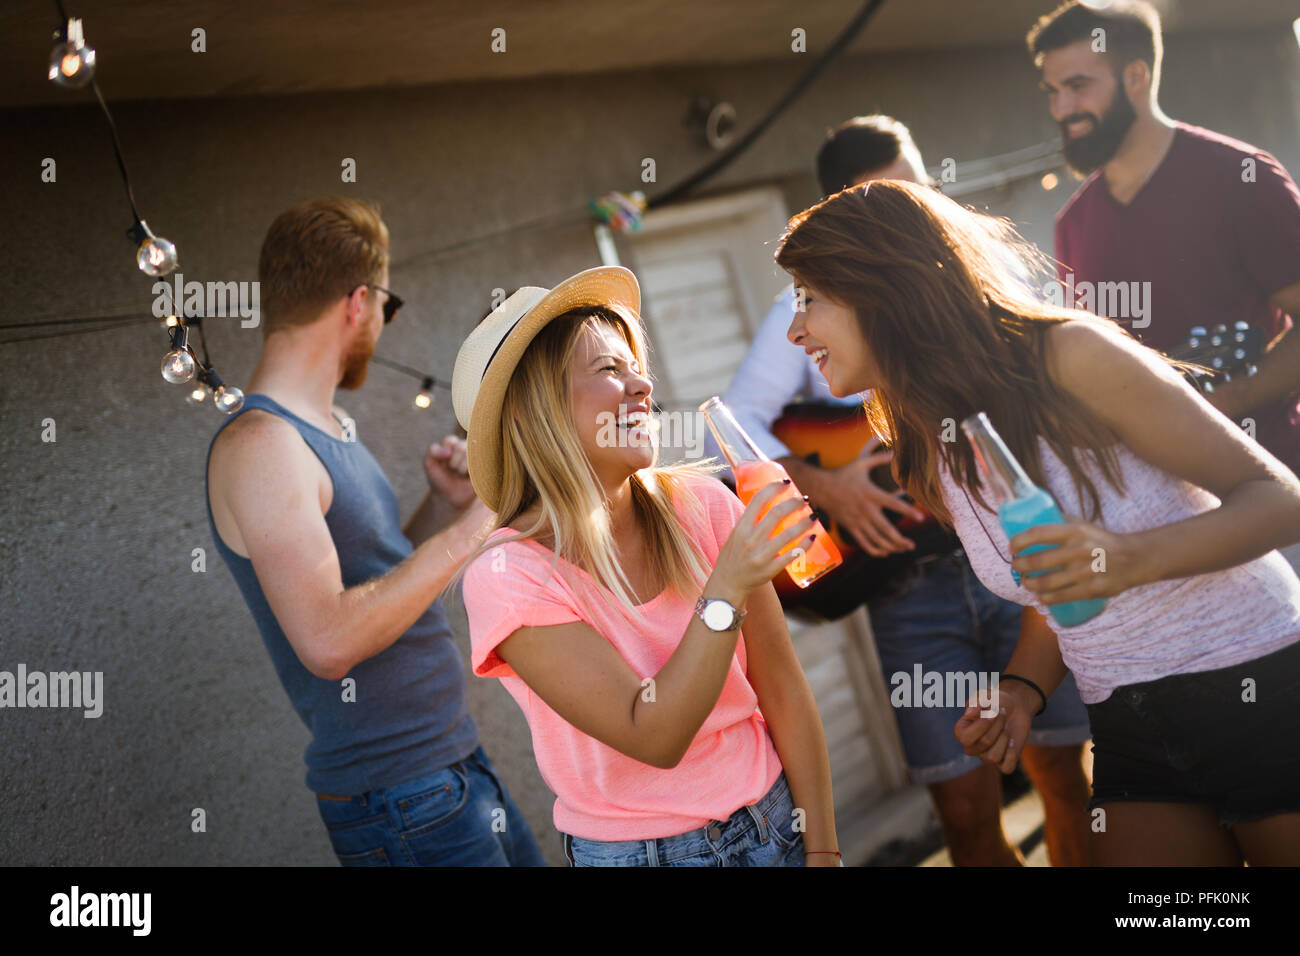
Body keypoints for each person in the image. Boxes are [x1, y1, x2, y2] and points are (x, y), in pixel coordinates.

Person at [776, 177, 1300, 866]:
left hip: (1258, 686)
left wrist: (1124, 557)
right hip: (1125, 722)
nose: (794, 329)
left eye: (809, 298)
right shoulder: (926, 445)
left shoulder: (1070, 356)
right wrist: (1022, 690)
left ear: (880, 285)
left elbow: (1277, 499)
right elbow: (1049, 587)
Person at [714, 114, 1093, 866]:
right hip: (909, 587)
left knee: (1063, 771)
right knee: (962, 803)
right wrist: (829, 486)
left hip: (1018, 557)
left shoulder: (997, 291)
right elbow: (726, 428)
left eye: (916, 186)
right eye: (886, 199)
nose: (914, 210)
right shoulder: (803, 317)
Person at [448, 267, 840, 866]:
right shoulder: (509, 577)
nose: (641, 387)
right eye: (609, 369)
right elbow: (652, 734)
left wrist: (825, 851)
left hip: (776, 824)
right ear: (539, 411)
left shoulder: (705, 505)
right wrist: (727, 585)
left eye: (636, 367)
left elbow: (782, 688)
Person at [205, 196, 545, 866]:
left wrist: (445, 509)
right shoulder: (261, 445)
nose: (381, 328)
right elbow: (330, 640)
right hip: (401, 798)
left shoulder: (324, 429)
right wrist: (481, 521)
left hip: (449, 767)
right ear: (358, 303)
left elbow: (377, 589)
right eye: (386, 311)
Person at [1027, 0, 1300, 483]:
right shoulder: (1073, 223)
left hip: (1273, 489)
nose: (1062, 109)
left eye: (1077, 86)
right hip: (1156, 503)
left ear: (1136, 76)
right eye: (1051, 92)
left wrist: (1221, 402)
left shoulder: (1242, 177)